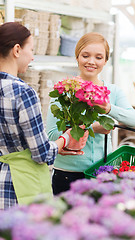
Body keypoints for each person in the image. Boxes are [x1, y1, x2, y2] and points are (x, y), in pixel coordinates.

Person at [0, 22, 88, 210]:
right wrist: (66, 139)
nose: (32, 57)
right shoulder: (23, 92)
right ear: (17, 50)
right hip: (21, 188)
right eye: (30, 49)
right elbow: (41, 153)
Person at [46, 32, 135, 195]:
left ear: (105, 61)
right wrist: (91, 128)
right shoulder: (63, 91)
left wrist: (109, 108)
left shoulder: (113, 92)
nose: (91, 61)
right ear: (77, 57)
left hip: (102, 173)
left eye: (98, 57)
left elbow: (134, 120)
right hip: (67, 175)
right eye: (85, 55)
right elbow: (51, 135)